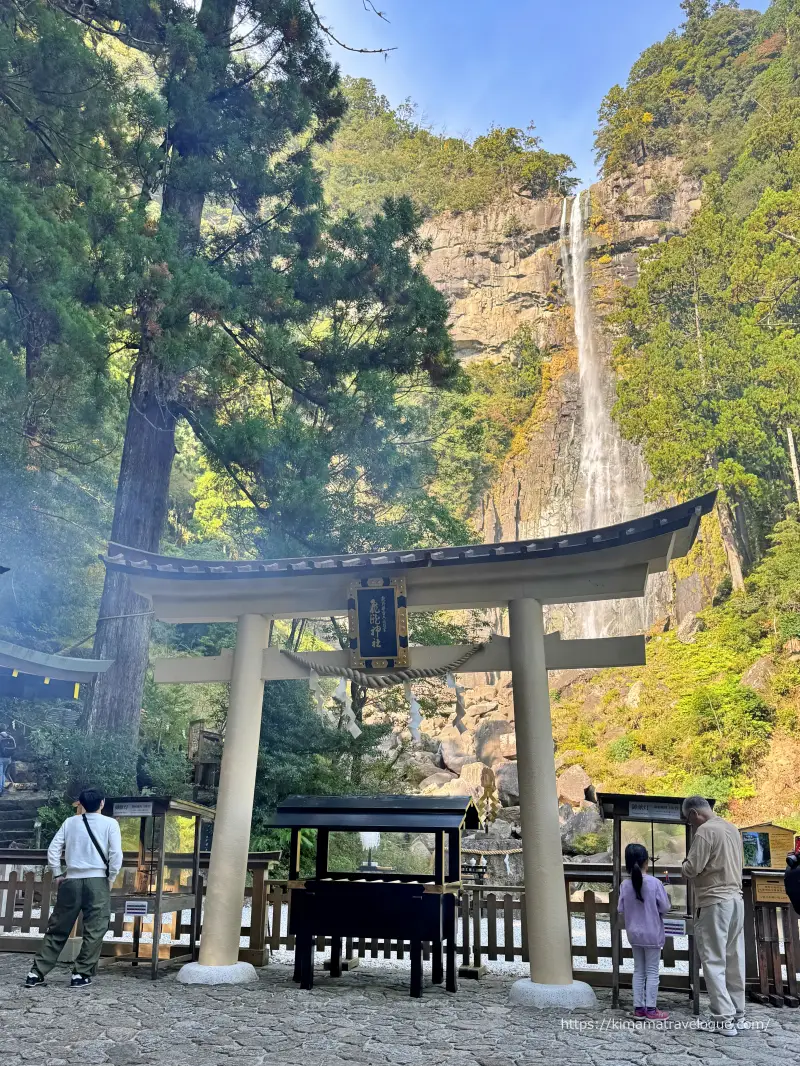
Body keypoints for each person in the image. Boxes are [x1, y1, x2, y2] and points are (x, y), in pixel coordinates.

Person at [25, 788, 122, 988]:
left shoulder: (70, 822)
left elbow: (53, 849)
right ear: (102, 803)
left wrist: (58, 873)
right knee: (95, 929)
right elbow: (116, 854)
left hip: (72, 879)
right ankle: (81, 974)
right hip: (97, 880)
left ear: (80, 803)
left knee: (58, 927)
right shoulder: (110, 824)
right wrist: (111, 877)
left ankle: (36, 972)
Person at [681, 796, 747, 1037]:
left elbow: (692, 868)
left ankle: (723, 1020)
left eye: (688, 820)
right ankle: (739, 1014)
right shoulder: (732, 828)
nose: (691, 825)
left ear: (694, 814)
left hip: (713, 902)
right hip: (736, 901)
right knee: (734, 959)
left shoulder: (704, 832)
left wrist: (683, 864)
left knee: (713, 961)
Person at [618, 842, 671, 1020]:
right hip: (652, 934)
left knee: (638, 970)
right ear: (646, 862)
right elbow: (665, 907)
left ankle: (639, 1008)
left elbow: (620, 908)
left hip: (634, 934)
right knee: (652, 971)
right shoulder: (655, 883)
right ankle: (651, 1009)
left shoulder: (625, 885)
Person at [0, 729, 16, 795]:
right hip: (8, 759)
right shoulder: (10, 737)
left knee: (0, 774)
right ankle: (2, 789)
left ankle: (0, 790)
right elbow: (15, 747)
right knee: (3, 774)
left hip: (0, 758)